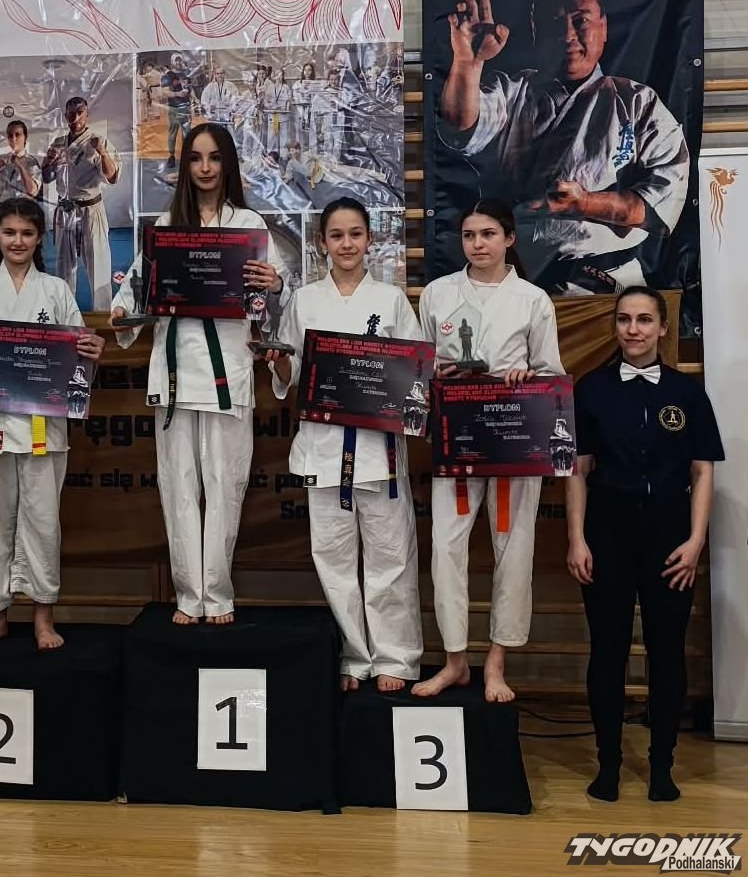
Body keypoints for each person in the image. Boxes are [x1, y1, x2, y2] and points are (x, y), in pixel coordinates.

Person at [109, 123, 285, 624]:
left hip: (228, 368)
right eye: (195, 158)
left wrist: (274, 286)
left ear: (228, 164)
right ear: (184, 166)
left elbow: (270, 309)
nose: (205, 168)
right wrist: (124, 313)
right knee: (178, 485)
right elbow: (139, 290)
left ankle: (218, 594)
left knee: (226, 485)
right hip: (176, 370)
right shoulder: (168, 225)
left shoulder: (249, 224)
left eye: (214, 158)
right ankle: (189, 595)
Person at [565, 286, 723, 803]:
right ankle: (608, 765)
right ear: (615, 326)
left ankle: (661, 767)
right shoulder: (591, 389)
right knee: (607, 651)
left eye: (644, 320)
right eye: (624, 319)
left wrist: (696, 541)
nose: (633, 329)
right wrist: (576, 539)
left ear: (662, 328)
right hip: (607, 534)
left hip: (669, 538)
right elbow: (577, 470)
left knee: (667, 653)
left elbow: (702, 472)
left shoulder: (688, 393)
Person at [437, 0, 689, 294]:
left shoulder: (637, 102)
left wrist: (585, 203)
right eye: (554, 24)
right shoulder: (513, 92)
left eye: (580, 21)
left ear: (603, 27)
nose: (568, 35)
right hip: (519, 282)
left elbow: (665, 198)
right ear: (536, 32)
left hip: (611, 282)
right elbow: (460, 124)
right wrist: (467, 63)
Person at [269, 198, 423, 691]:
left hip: (379, 449)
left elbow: (417, 372)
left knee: (389, 557)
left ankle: (395, 658)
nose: (347, 244)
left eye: (356, 234)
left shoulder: (392, 300)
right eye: (337, 235)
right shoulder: (304, 300)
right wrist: (279, 362)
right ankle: (355, 656)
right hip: (323, 446)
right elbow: (291, 372)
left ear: (370, 240)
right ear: (322, 244)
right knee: (334, 560)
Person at [414, 198, 564, 703]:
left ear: (509, 239)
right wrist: (436, 374)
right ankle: (456, 660)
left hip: (513, 437)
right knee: (445, 549)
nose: (477, 244)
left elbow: (552, 374)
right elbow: (419, 370)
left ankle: (497, 662)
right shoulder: (437, 294)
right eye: (469, 235)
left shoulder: (533, 300)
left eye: (488, 234)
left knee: (514, 548)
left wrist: (528, 375)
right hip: (457, 435)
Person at [0, 198, 106, 649]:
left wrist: (91, 354)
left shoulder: (56, 290)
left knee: (43, 520)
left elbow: (77, 361)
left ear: (39, 239)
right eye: (9, 232)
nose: (18, 241)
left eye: (27, 233)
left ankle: (43, 618)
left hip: (42, 428)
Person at [42, 96, 122, 311]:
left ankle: (103, 313)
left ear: (87, 115)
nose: (75, 117)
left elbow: (112, 177)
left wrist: (102, 152)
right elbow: (47, 178)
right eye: (71, 113)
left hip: (90, 209)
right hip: (66, 210)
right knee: (64, 267)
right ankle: (64, 312)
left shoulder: (98, 141)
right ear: (65, 116)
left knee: (98, 265)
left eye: (80, 113)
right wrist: (48, 163)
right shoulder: (58, 143)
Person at [0, 120, 41, 203]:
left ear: (25, 137)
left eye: (17, 135)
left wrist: (20, 166)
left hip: (22, 207)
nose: (13, 139)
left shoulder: (31, 162)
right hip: (3, 206)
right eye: (10, 136)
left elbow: (32, 191)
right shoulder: (1, 159)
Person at [161, 53, 194, 168]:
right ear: (172, 62)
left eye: (179, 60)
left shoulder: (185, 74)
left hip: (186, 108)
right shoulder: (167, 76)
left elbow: (190, 89)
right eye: (176, 60)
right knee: (173, 133)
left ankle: (186, 156)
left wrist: (195, 98)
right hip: (174, 108)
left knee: (187, 133)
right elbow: (165, 92)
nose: (178, 62)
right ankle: (171, 156)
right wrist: (177, 94)